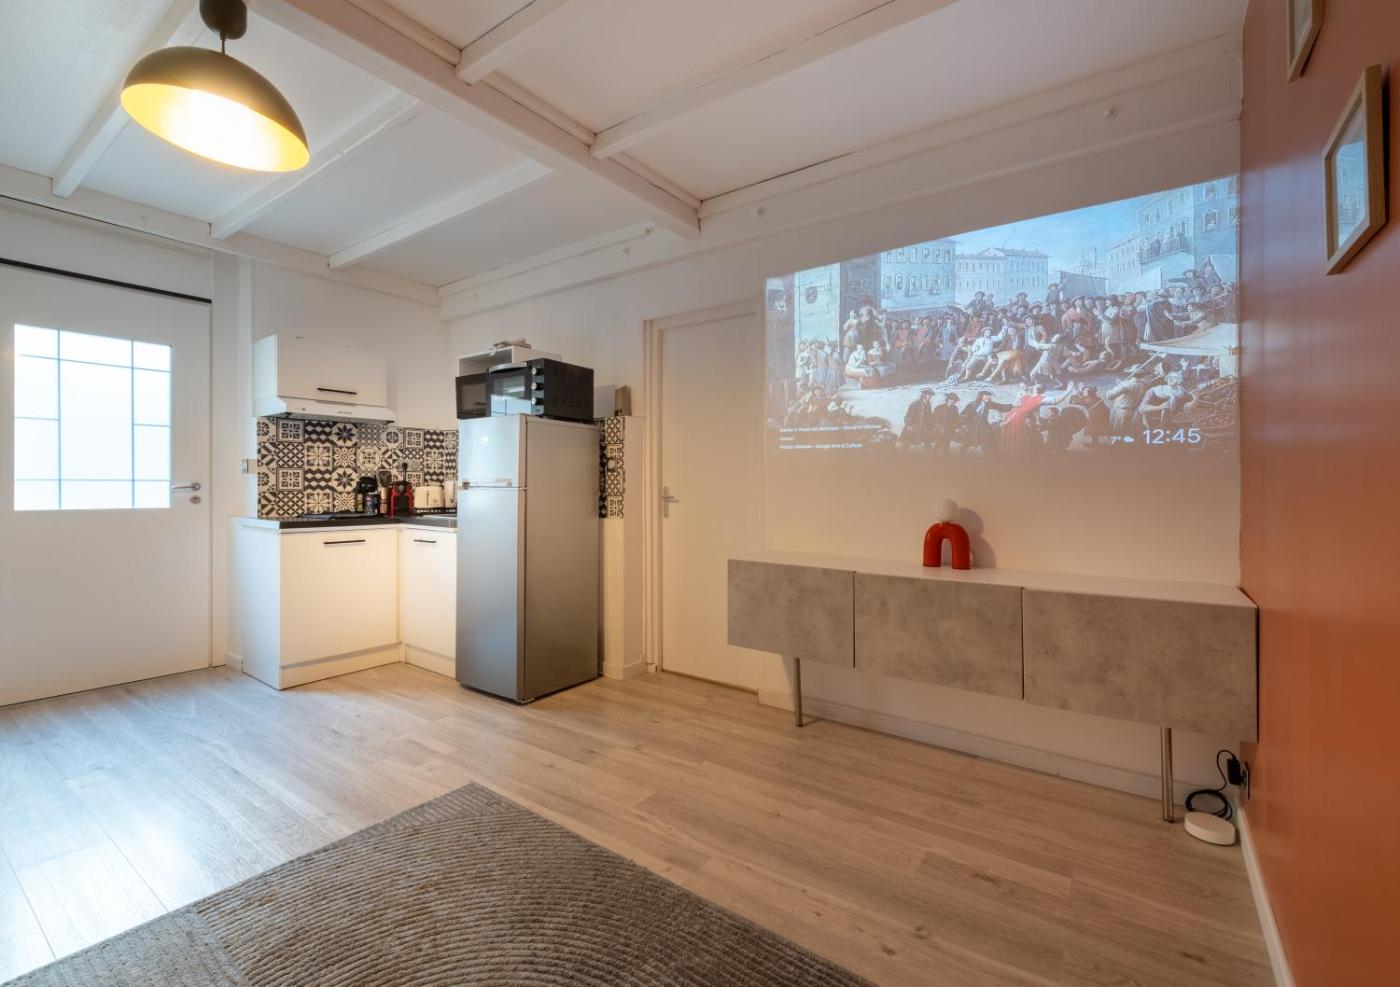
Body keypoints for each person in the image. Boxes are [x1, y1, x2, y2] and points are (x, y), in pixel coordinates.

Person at [960, 390, 1011, 455]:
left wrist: (1012, 407)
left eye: (989, 396)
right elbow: (963, 414)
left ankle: (989, 455)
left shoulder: (989, 404)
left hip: (983, 426)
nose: (988, 397)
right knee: (969, 441)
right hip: (972, 425)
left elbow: (1000, 406)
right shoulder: (972, 404)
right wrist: (964, 424)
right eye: (986, 395)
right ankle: (961, 453)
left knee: (987, 440)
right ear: (981, 396)